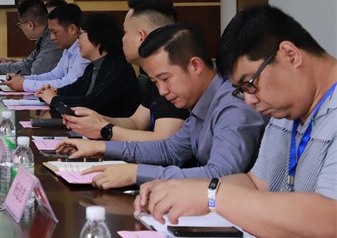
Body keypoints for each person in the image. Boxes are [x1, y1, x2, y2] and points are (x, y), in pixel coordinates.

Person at [136, 5, 336, 238]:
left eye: (250, 84)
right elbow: (257, 183)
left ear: (290, 55)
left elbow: (330, 222)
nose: (250, 101)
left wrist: (212, 196)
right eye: (243, 91)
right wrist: (181, 189)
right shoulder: (287, 110)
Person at [56, 23, 266, 189]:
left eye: (165, 79)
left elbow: (221, 175)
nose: (162, 91)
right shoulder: (202, 100)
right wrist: (101, 148)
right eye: (155, 82)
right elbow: (170, 149)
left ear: (195, 66)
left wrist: (136, 173)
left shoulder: (233, 105)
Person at [62, 0, 189, 141]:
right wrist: (98, 119)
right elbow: (136, 123)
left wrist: (104, 130)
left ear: (141, 37)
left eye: (125, 32)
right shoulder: (154, 76)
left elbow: (163, 142)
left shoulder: (173, 77)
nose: (122, 39)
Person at [36, 12, 141, 118]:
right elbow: (75, 89)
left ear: (98, 37)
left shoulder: (117, 69)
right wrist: (51, 91)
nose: (77, 41)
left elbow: (92, 103)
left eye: (80, 35)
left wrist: (53, 99)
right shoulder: (93, 66)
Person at [5, 3, 90, 92]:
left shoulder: (83, 52)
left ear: (72, 29)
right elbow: (54, 75)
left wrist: (24, 84)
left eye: (55, 32)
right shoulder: (68, 49)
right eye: (50, 32)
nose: (52, 37)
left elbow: (69, 83)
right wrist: (23, 79)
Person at [0, 0, 63, 77]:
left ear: (30, 25)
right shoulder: (44, 37)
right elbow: (28, 64)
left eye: (20, 24)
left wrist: (18, 80)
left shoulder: (52, 39)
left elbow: (37, 72)